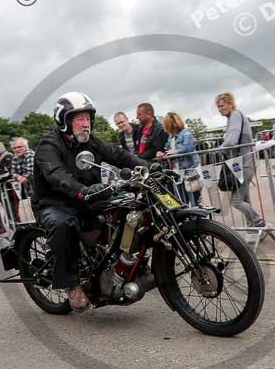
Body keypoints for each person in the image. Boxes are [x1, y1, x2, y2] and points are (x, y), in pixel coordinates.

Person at [32, 91, 147, 311]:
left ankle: (117, 262)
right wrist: (82, 191)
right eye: (79, 119)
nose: (86, 124)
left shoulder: (90, 141)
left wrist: (148, 167)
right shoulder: (48, 146)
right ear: (64, 121)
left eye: (87, 118)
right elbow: (57, 175)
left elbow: (118, 155)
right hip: (54, 204)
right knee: (62, 224)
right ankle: (71, 284)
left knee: (127, 207)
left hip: (87, 198)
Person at [216, 92, 265, 239]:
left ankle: (259, 222)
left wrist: (219, 149)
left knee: (236, 201)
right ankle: (254, 230)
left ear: (230, 104)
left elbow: (231, 140)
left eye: (222, 105)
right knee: (245, 200)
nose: (220, 109)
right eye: (218, 107)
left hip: (243, 165)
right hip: (243, 164)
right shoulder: (234, 117)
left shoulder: (235, 116)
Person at [157, 112, 201, 206]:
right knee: (181, 201)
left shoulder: (186, 133)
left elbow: (188, 147)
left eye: (165, 124)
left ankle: (198, 215)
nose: (163, 126)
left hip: (189, 171)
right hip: (177, 172)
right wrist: (162, 153)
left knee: (194, 201)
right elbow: (167, 149)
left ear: (171, 124)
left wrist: (175, 151)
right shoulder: (171, 137)